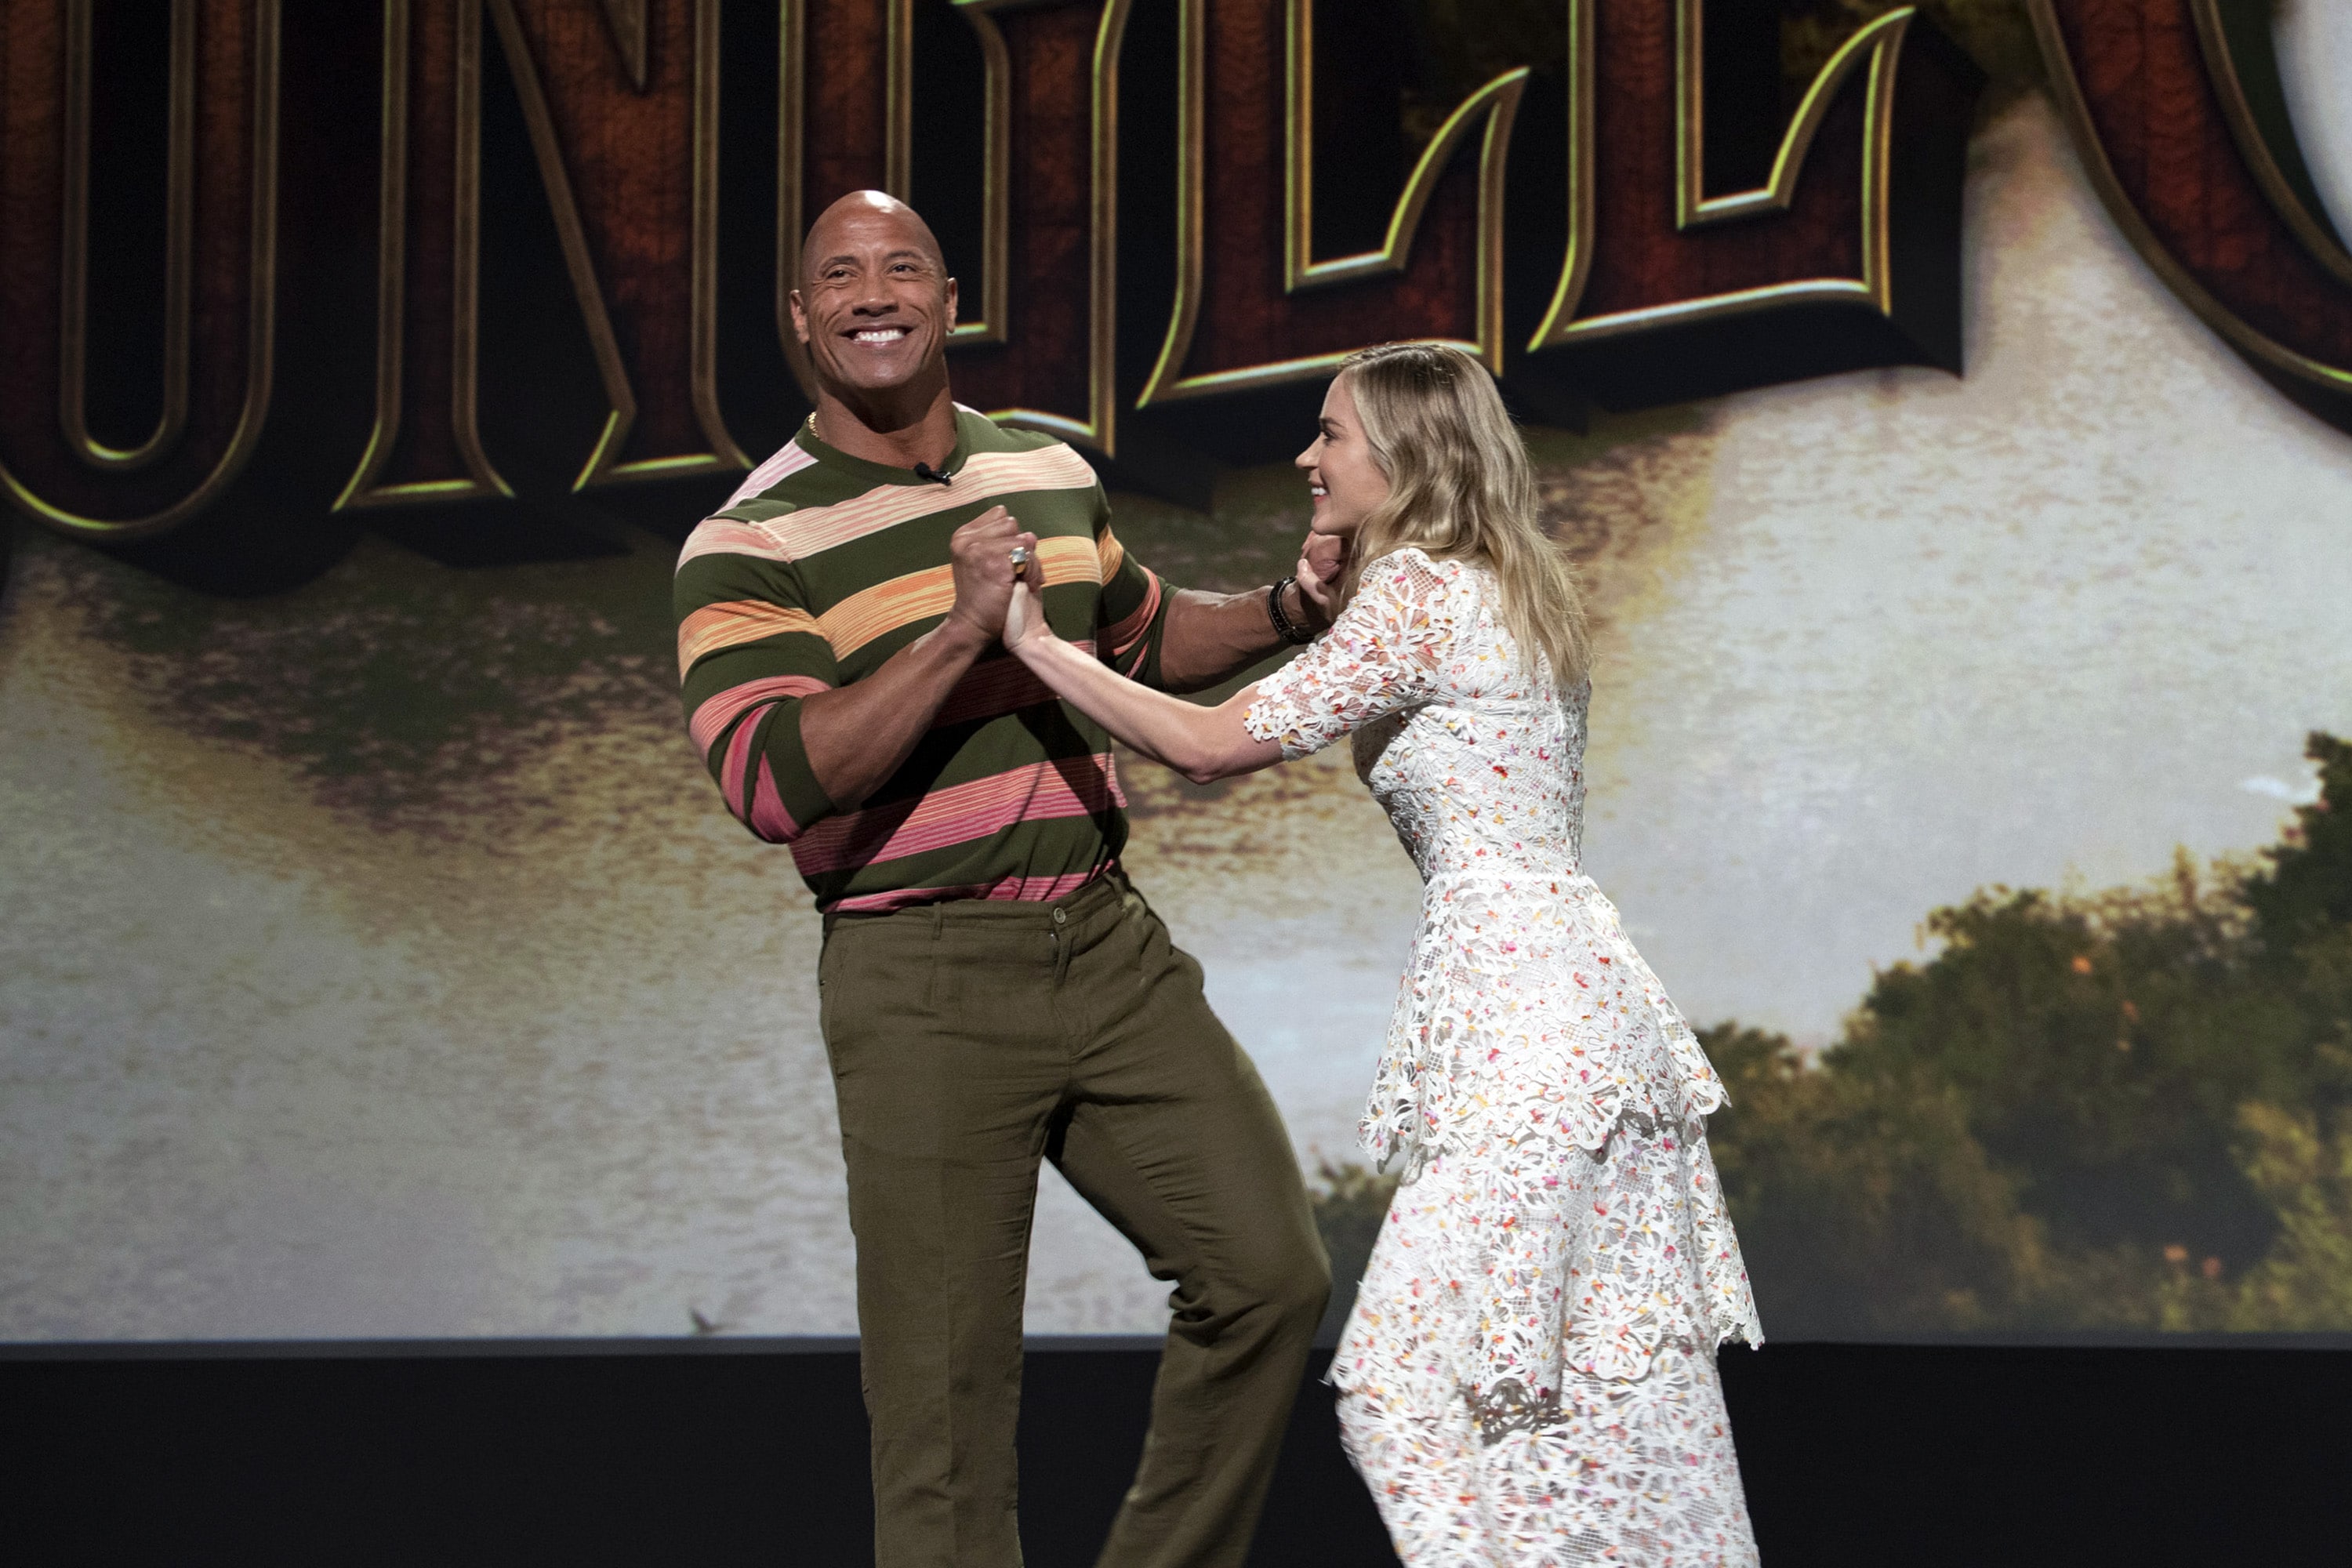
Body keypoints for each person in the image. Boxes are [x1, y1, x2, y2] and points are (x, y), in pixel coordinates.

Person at [999, 342, 1766, 1566]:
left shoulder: (1418, 595)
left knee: (1402, 1396)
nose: (1307, 457)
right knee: (1606, 1412)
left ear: (1405, 457)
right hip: (1596, 1025)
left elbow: (1208, 746)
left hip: (1523, 1039)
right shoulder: (1510, 582)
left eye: (1332, 435)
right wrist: (1326, 588)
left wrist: (1041, 647)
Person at [673, 191, 1340, 1568]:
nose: (873, 294)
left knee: (1269, 1277)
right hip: (920, 978)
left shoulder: (1044, 470)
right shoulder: (750, 541)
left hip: (1107, 948)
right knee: (946, 1419)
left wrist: (1294, 609)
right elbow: (771, 783)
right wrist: (961, 632)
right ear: (799, 317)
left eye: (901, 268)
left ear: (948, 300)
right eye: (839, 276)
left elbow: (1144, 640)